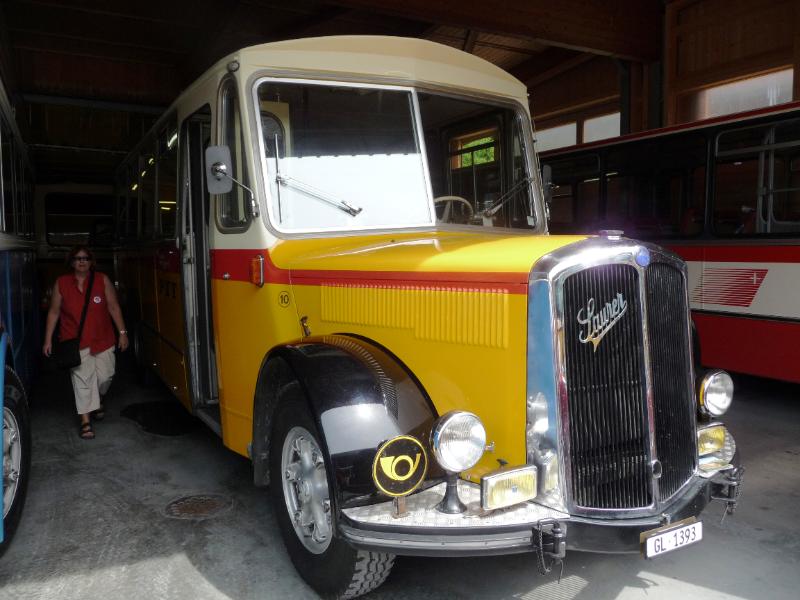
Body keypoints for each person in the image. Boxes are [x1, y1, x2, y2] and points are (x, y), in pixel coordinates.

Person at [42, 246, 129, 439]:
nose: (82, 261)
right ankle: (86, 422)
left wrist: (123, 333)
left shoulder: (102, 280)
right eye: (78, 258)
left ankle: (97, 400)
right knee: (82, 381)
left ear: (91, 261)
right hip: (75, 341)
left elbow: (114, 307)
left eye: (86, 258)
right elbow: (54, 312)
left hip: (103, 339)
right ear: (71, 262)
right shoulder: (62, 283)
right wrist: (47, 339)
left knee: (106, 376)